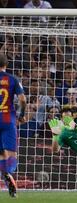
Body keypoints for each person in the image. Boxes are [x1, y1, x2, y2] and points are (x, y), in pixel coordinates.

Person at [0, 54, 27, 198]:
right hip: (7, 120)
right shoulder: (12, 79)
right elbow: (22, 99)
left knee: (0, 154)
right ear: (6, 64)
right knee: (11, 154)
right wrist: (22, 115)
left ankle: (5, 176)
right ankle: (8, 173)